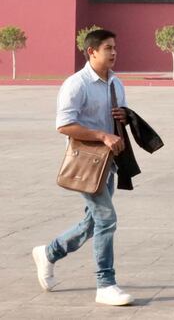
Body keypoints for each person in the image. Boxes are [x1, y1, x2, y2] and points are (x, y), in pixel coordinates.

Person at [31, 29, 134, 306]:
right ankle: (106, 283)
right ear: (92, 52)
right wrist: (101, 135)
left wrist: (123, 117)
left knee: (93, 222)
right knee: (107, 220)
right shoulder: (76, 84)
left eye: (115, 47)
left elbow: (119, 118)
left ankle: (49, 253)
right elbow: (64, 124)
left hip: (108, 164)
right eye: (108, 48)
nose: (113, 52)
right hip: (85, 162)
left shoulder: (116, 83)